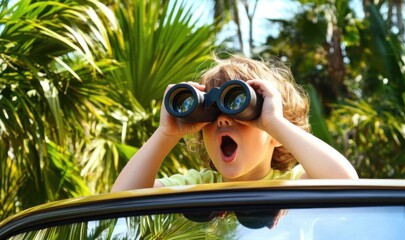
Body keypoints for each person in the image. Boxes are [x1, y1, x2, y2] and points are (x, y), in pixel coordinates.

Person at [111, 54, 358, 192]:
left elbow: (347, 185)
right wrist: (166, 133)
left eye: (242, 112)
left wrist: (275, 122)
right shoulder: (198, 186)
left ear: (274, 136)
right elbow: (121, 201)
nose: (223, 119)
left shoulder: (292, 184)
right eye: (210, 114)